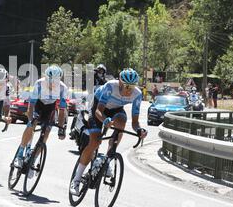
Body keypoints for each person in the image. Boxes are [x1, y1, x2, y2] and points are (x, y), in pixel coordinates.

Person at [69, 68, 148, 196]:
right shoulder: (111, 86)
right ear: (121, 83)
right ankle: (76, 180)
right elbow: (98, 112)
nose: (129, 90)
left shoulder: (137, 94)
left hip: (116, 109)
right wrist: (105, 120)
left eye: (132, 87)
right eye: (127, 86)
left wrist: (139, 130)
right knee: (95, 142)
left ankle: (108, 159)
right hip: (98, 108)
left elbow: (134, 122)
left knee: (121, 122)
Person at [13, 65, 68, 168]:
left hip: (50, 108)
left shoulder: (63, 88)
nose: (52, 83)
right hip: (38, 105)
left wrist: (61, 128)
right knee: (31, 125)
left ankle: (33, 159)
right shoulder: (39, 83)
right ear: (46, 78)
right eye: (50, 81)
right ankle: (19, 155)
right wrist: (30, 121)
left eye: (55, 81)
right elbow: (31, 105)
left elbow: (62, 110)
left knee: (46, 134)